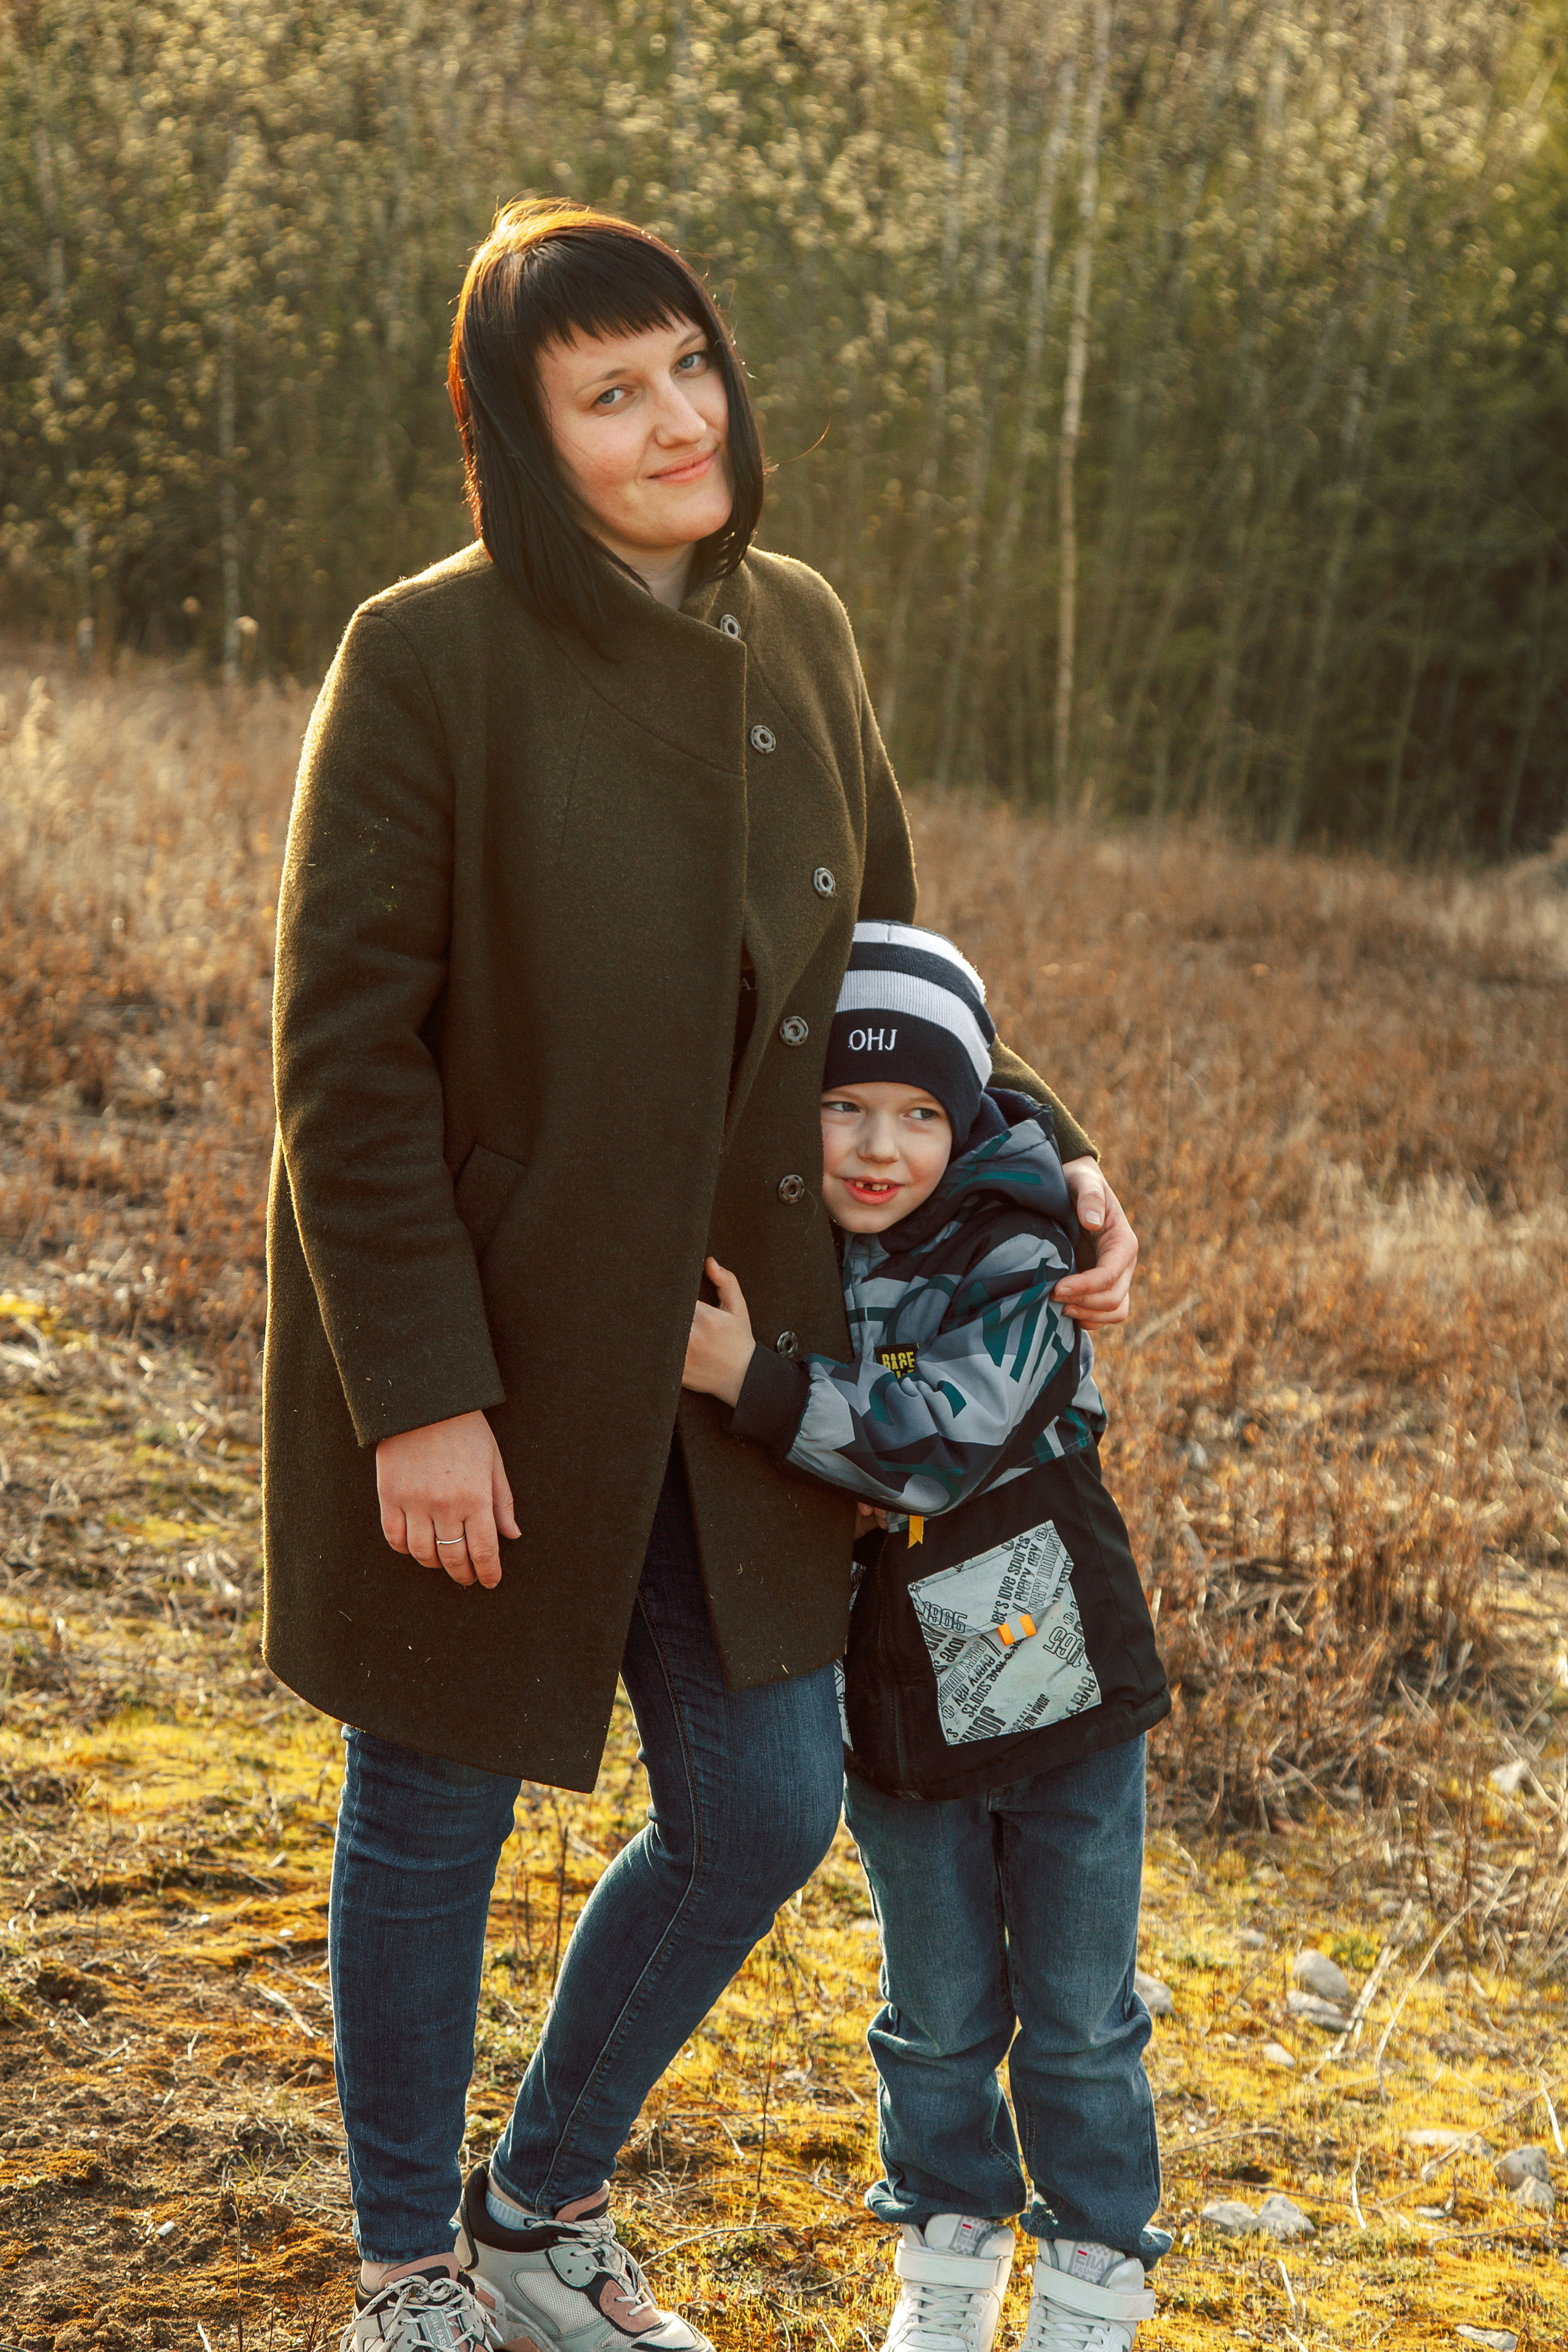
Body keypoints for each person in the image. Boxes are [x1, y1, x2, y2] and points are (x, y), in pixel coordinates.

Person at [263, 202, 1142, 2352]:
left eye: (688, 367)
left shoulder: (810, 632)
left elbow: (901, 987)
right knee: (437, 1805)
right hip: (493, 1346)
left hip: (747, 1352)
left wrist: (1052, 1156)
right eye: (608, 394)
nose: (674, 421)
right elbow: (343, 1057)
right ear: (521, 432)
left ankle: (542, 2203)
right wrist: (421, 1393)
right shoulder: (425, 656)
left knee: (761, 1806)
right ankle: (409, 2275)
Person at [682, 921, 1170, 2352]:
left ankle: (1090, 2277)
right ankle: (947, 2260)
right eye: (842, 1106)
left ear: (967, 1118)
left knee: (1077, 2015)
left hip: (1051, 1676)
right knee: (935, 2010)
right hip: (899, 1691)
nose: (877, 1146)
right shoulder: (801, 1245)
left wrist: (753, 1385)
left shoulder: (1028, 1253)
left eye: (916, 1113)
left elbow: (940, 1447)